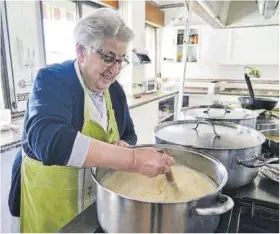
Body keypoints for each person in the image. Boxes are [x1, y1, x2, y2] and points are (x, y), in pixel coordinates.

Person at [8, 8, 174, 233]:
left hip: (94, 204)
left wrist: (125, 144)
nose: (115, 70)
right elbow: (49, 141)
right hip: (48, 203)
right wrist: (132, 159)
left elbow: (129, 132)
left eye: (121, 60)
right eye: (107, 57)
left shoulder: (114, 91)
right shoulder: (53, 80)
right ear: (81, 51)